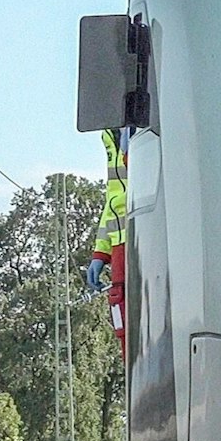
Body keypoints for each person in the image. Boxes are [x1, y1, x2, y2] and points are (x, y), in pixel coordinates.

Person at [88, 128, 128, 357]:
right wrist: (100, 253)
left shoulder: (145, 127)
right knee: (121, 319)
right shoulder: (109, 135)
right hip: (119, 248)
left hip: (145, 238)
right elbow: (113, 200)